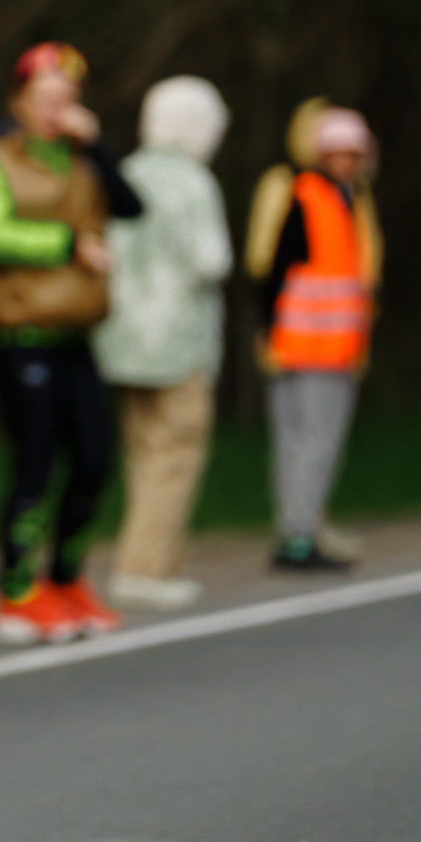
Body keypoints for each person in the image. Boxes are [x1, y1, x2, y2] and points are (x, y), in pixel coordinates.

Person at [0, 43, 144, 644]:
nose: (55, 110)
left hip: (76, 331)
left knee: (94, 457)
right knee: (36, 460)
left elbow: (131, 206)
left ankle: (67, 579)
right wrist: (66, 244)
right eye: (45, 98)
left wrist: (98, 146)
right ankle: (16, 590)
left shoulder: (82, 158)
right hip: (21, 333)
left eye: (66, 100)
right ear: (19, 100)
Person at [91, 77, 233, 613]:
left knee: (144, 454)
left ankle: (145, 561)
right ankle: (145, 570)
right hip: (177, 342)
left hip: (123, 340)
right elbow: (211, 261)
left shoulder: (126, 172)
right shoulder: (193, 182)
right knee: (175, 454)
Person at [246, 100, 382, 571]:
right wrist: (266, 330)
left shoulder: (346, 198)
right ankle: (298, 536)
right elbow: (271, 268)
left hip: (319, 343)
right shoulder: (309, 196)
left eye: (355, 154)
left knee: (300, 443)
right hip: (312, 344)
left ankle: (297, 530)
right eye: (341, 152)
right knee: (313, 442)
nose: (349, 162)